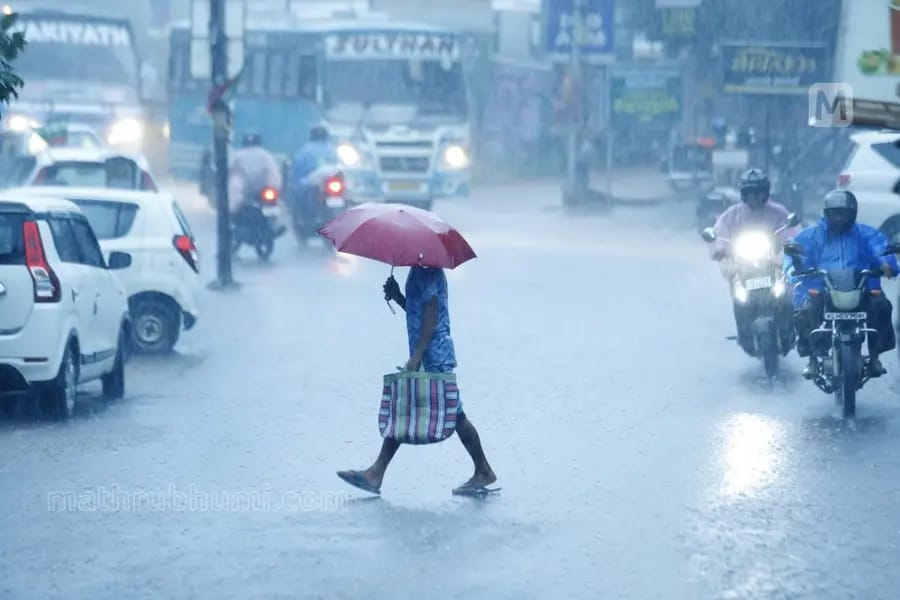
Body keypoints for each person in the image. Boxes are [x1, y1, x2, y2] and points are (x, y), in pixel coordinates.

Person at [337, 266, 497, 495]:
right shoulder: (417, 269)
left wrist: (418, 355)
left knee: (448, 412)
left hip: (435, 353)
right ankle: (376, 473)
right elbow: (418, 312)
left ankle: (482, 470)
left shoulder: (429, 270)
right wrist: (398, 296)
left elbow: (431, 316)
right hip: (426, 351)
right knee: (411, 408)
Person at [786, 189, 898, 379]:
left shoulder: (865, 233)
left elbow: (879, 247)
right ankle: (812, 359)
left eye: (843, 213)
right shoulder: (812, 235)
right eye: (835, 213)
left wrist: (887, 264)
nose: (839, 218)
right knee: (805, 310)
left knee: (881, 305)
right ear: (827, 213)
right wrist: (794, 268)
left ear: (852, 213)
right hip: (821, 287)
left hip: (862, 286)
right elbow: (796, 253)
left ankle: (875, 357)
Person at [710, 168, 799, 354]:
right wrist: (719, 248)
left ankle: (789, 329)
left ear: (765, 193)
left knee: (788, 293)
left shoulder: (779, 212)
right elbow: (719, 233)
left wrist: (790, 244)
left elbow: (791, 230)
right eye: (750, 193)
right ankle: (744, 334)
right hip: (743, 265)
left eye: (758, 193)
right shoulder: (732, 214)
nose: (754, 197)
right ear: (743, 194)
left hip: (773, 263)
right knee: (738, 295)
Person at [227, 131, 283, 214]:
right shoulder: (266, 156)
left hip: (246, 195)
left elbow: (230, 173)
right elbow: (275, 176)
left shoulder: (237, 156)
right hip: (259, 193)